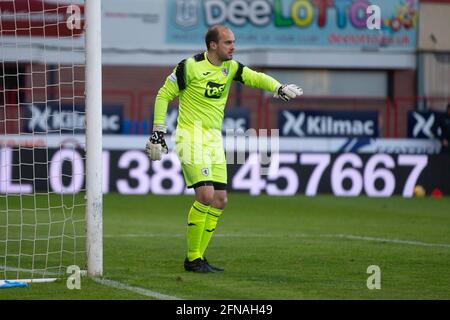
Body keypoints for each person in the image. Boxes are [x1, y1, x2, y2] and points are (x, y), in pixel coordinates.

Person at [145, 25, 303, 273]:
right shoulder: (189, 66)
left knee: (219, 200)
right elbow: (163, 95)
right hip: (190, 137)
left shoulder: (231, 68)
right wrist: (158, 131)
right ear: (213, 45)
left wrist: (278, 87)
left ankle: (200, 258)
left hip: (214, 140)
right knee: (206, 196)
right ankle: (193, 259)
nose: (233, 46)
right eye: (228, 42)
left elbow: (255, 77)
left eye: (233, 42)